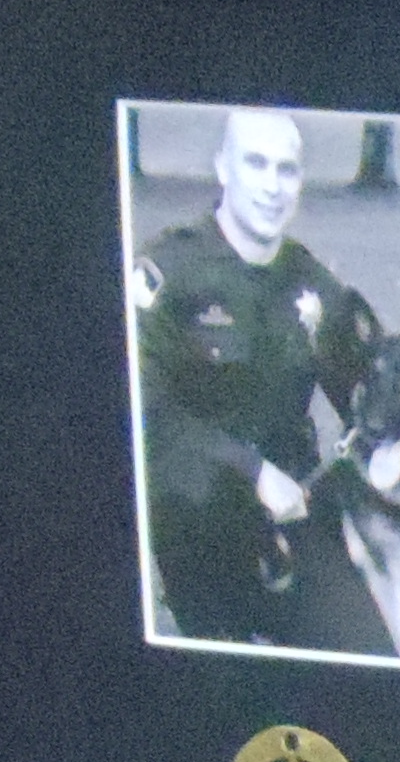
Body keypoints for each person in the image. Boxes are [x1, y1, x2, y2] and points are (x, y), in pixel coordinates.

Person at [133, 108, 361, 645]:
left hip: (295, 511)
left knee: (364, 650)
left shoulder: (313, 285)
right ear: (223, 168)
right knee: (228, 674)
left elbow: (361, 397)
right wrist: (253, 471)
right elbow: (145, 408)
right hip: (201, 517)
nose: (272, 186)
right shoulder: (170, 272)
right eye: (256, 164)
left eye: (287, 169)